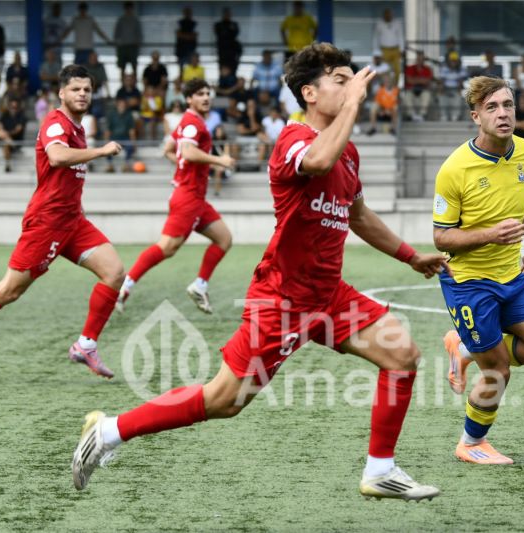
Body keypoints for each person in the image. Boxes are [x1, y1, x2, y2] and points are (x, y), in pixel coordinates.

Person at [72, 43, 446, 503]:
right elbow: (318, 162)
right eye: (342, 81)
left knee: (403, 355)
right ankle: (109, 430)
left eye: (353, 81)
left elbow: (359, 214)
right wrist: (352, 105)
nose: (353, 90)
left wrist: (412, 257)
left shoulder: (348, 153)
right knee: (224, 400)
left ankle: (381, 470)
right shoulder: (294, 140)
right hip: (283, 298)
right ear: (310, 92)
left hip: (329, 295)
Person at [0, 65, 126, 381]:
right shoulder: (55, 123)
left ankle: (86, 345)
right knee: (10, 290)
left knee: (115, 272)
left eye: (87, 90)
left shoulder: (78, 128)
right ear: (61, 93)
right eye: (76, 89)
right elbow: (56, 156)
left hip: (73, 221)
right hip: (47, 222)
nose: (82, 94)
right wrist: (100, 151)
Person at [432, 76, 524, 466]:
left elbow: (521, 203)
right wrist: (491, 234)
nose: (503, 113)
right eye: (492, 107)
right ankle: (471, 443)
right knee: (498, 370)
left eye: (507, 105)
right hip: (469, 283)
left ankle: (464, 347)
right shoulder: (454, 169)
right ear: (476, 116)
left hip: (511, 276)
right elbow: (442, 239)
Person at [116, 79, 235, 315]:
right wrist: (219, 160)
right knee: (167, 247)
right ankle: (123, 287)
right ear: (189, 99)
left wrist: (181, 164)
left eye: (207, 93)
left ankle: (200, 286)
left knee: (224, 239)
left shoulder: (186, 123)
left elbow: (170, 150)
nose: (206, 98)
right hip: (188, 197)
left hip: (196, 198)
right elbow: (189, 153)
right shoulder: (192, 124)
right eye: (199, 94)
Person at [62, 2, 111, 66]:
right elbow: (67, 31)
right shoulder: (75, 20)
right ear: (79, 10)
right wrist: (59, 40)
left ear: (86, 10)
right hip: (78, 49)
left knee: (88, 69)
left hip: (88, 49)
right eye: (81, 9)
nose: (82, 11)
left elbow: (99, 31)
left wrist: (107, 40)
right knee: (78, 70)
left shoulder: (90, 19)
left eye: (83, 9)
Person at [371, 8, 404, 85]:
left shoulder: (397, 23)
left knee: (397, 70)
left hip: (395, 49)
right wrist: (376, 52)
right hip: (384, 50)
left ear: (392, 15)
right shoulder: (379, 24)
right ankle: (385, 87)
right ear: (384, 16)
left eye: (390, 15)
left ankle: (395, 87)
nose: (388, 16)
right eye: (386, 15)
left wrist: (401, 50)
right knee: (384, 70)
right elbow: (376, 38)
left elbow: (400, 36)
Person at [104, 97, 136, 172]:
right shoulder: (111, 114)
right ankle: (110, 165)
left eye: (124, 105)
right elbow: (108, 129)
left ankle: (126, 165)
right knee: (107, 148)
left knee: (130, 147)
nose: (122, 106)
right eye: (120, 105)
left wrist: (133, 142)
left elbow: (131, 130)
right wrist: (106, 141)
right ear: (117, 105)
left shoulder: (129, 115)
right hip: (114, 137)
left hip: (125, 138)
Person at [0, 97, 27, 172]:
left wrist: (6, 133)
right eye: (12, 107)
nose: (13, 109)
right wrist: (5, 134)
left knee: (5, 142)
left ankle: (8, 164)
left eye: (15, 107)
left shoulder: (21, 116)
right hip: (7, 140)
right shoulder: (5, 115)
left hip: (16, 139)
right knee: (1, 135)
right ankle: (11, 144)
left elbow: (18, 130)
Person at [113, 1, 142, 80]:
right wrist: (118, 43)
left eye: (130, 8)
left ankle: (134, 85)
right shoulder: (121, 20)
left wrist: (138, 43)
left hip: (133, 47)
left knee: (134, 67)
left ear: (132, 9)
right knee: (122, 68)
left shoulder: (135, 20)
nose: (128, 10)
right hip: (122, 47)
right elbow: (116, 34)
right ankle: (122, 85)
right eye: (127, 8)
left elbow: (139, 34)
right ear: (125, 9)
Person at [403, 50, 433, 121]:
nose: (420, 60)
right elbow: (409, 81)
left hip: (423, 90)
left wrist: (415, 80)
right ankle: (412, 115)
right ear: (416, 59)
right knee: (407, 95)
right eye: (418, 58)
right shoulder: (410, 68)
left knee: (427, 95)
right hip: (412, 90)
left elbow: (427, 81)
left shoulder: (428, 69)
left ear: (424, 59)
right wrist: (421, 80)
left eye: (421, 59)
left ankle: (422, 115)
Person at [438, 51, 466, 122]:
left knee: (458, 96)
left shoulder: (461, 69)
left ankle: (455, 116)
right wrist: (441, 89)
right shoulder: (444, 68)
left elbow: (461, 81)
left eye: (455, 60)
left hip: (456, 89)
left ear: (457, 61)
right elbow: (442, 81)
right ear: (449, 61)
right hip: (445, 88)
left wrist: (459, 84)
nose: (453, 62)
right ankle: (444, 116)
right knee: (441, 96)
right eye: (452, 60)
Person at [214, 7, 242, 74]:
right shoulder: (218, 25)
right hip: (222, 52)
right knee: (223, 72)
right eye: (226, 14)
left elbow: (235, 34)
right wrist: (229, 30)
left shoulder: (234, 24)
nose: (227, 16)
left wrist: (226, 31)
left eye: (228, 14)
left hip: (232, 52)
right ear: (223, 15)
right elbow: (220, 35)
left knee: (233, 71)